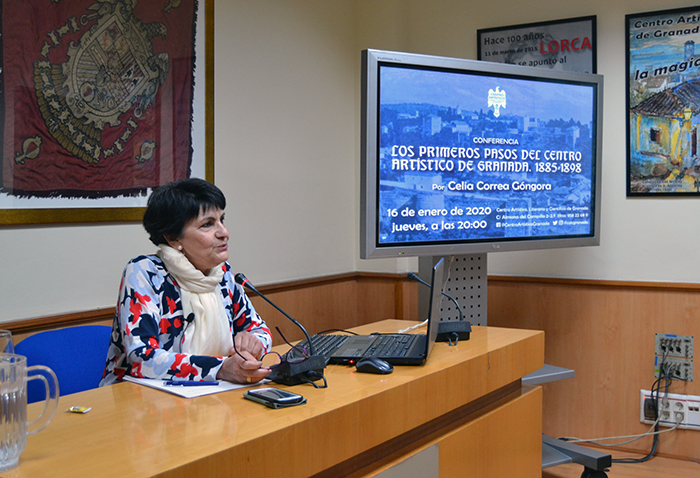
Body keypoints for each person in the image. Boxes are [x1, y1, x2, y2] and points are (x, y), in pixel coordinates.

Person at [100, 178, 272, 386]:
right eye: (208, 225)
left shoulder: (223, 273)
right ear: (174, 239)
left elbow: (261, 331)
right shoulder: (144, 272)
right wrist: (219, 368)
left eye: (222, 220)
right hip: (141, 399)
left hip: (212, 391)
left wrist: (253, 344)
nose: (224, 233)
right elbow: (142, 357)